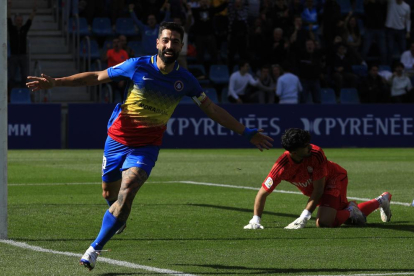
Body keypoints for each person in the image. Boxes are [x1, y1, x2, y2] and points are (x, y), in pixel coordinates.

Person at [26, 22, 274, 271]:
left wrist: (246, 132)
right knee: (108, 194)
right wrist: (56, 82)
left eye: (175, 41)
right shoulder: (137, 65)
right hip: (117, 139)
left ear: (181, 46)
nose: (169, 45)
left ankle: (94, 249)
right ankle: (117, 216)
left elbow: (212, 109)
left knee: (129, 189)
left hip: (146, 146)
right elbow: (97, 77)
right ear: (157, 42)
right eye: (165, 40)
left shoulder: (185, 80)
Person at [243, 128, 393, 230]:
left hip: (334, 179)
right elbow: (262, 193)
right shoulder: (281, 167)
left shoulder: (316, 153)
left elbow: (319, 189)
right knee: (347, 219)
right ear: (294, 152)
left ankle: (352, 209)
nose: (310, 147)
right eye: (304, 146)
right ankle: (381, 200)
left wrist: (304, 217)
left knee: (324, 222)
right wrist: (255, 220)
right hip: (319, 189)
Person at [7, 0, 37, 94]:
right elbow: (8, 18)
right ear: (15, 21)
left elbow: (30, 20)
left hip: (23, 56)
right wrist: (9, 7)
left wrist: (34, 11)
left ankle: (24, 93)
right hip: (14, 56)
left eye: (20, 20)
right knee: (11, 76)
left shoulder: (24, 29)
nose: (19, 22)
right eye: (17, 20)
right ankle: (9, 95)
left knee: (25, 76)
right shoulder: (12, 29)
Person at [385, 0, 411, 65]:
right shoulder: (391, 2)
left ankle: (403, 67)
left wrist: (408, 31)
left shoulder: (406, 6)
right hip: (390, 29)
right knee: (390, 49)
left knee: (403, 49)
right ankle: (389, 66)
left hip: (401, 30)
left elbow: (408, 19)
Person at [104, 38, 129, 102]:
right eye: (114, 42)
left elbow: (127, 67)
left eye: (118, 42)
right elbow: (104, 59)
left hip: (121, 76)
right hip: (112, 76)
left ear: (120, 44)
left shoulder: (124, 53)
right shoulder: (109, 52)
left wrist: (122, 79)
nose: (116, 44)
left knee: (125, 88)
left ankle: (124, 106)